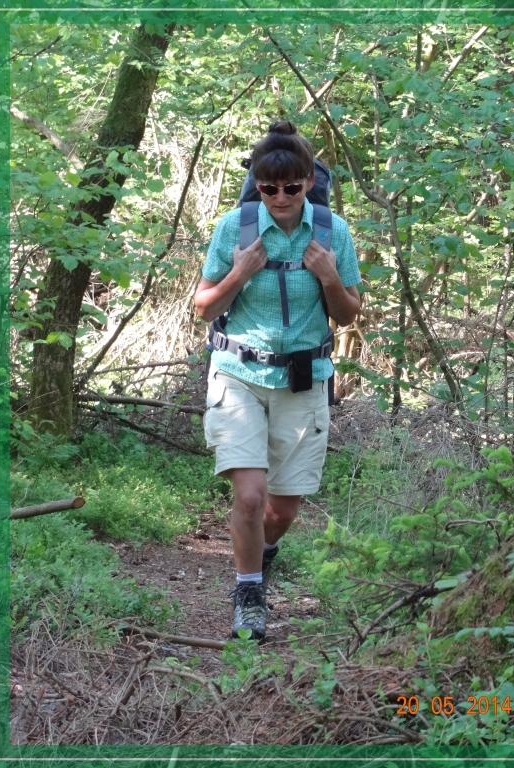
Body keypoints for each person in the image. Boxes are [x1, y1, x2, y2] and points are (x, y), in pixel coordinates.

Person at [194, 120, 361, 641]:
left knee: (282, 509)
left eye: (292, 187)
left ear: (309, 180)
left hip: (304, 377)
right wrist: (240, 272)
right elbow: (204, 308)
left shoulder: (332, 232)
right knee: (249, 497)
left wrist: (328, 276)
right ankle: (248, 593)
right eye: (269, 188)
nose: (281, 197)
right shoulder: (235, 229)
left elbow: (348, 314)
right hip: (238, 373)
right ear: (257, 184)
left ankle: (262, 554)